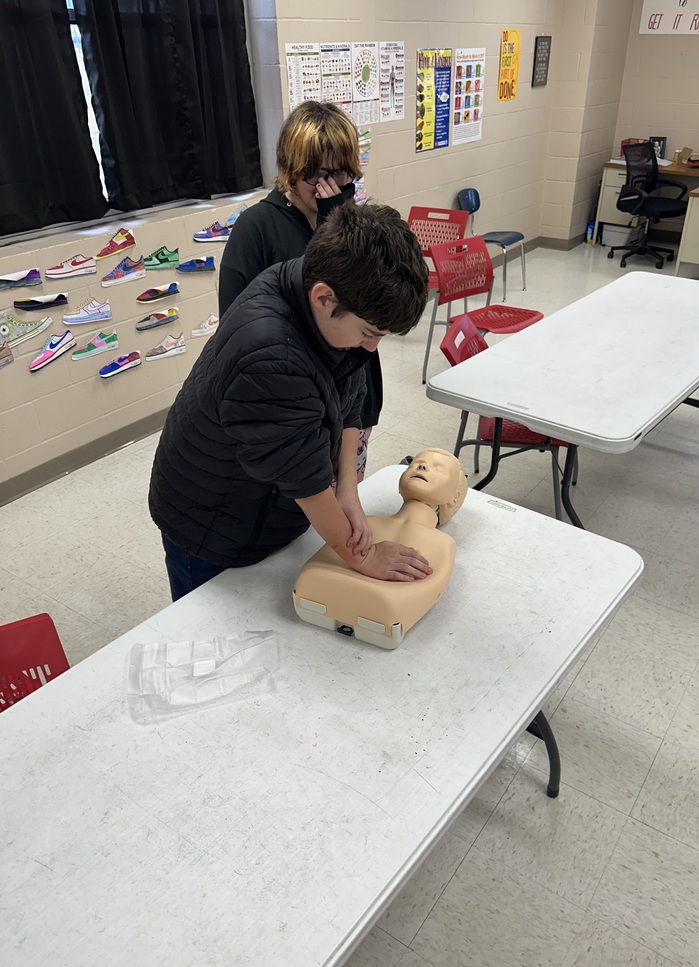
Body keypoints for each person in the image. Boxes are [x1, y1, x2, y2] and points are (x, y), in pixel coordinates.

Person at [148, 202, 430, 601]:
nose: (372, 346)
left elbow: (351, 394)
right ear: (323, 297)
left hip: (264, 500)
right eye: (369, 332)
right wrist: (365, 559)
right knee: (215, 644)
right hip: (209, 522)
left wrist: (348, 489)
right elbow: (305, 478)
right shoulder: (271, 354)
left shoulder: (319, 292)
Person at [219, 101, 382, 480]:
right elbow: (237, 331)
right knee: (305, 512)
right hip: (294, 402)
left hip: (354, 396)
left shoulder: (351, 219)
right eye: (315, 174)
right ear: (291, 170)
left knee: (346, 497)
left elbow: (371, 306)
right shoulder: (256, 229)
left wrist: (339, 219)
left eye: (340, 173)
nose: (327, 187)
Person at [293, 449, 468, 648]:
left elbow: (422, 589)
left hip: (319, 592)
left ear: (454, 498)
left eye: (438, 469)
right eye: (415, 463)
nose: (421, 466)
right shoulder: (365, 522)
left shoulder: (443, 544)